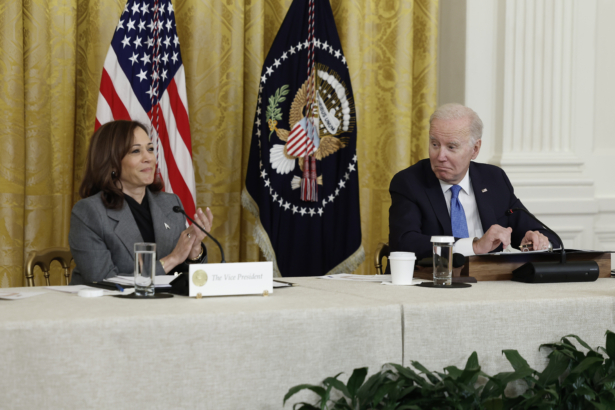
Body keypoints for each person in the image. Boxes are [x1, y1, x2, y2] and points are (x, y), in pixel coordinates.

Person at [389, 103, 559, 260]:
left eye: (451, 147)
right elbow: (404, 242)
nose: (440, 156)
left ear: (475, 149)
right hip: (431, 284)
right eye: (434, 144)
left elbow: (544, 234)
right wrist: (474, 246)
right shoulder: (409, 182)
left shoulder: (494, 179)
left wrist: (538, 242)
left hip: (489, 284)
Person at [69, 120, 213, 285]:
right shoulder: (89, 212)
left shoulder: (170, 204)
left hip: (165, 307)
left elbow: (184, 279)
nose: (149, 158)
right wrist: (173, 259)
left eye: (150, 149)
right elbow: (104, 281)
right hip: (108, 309)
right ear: (112, 162)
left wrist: (194, 252)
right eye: (136, 151)